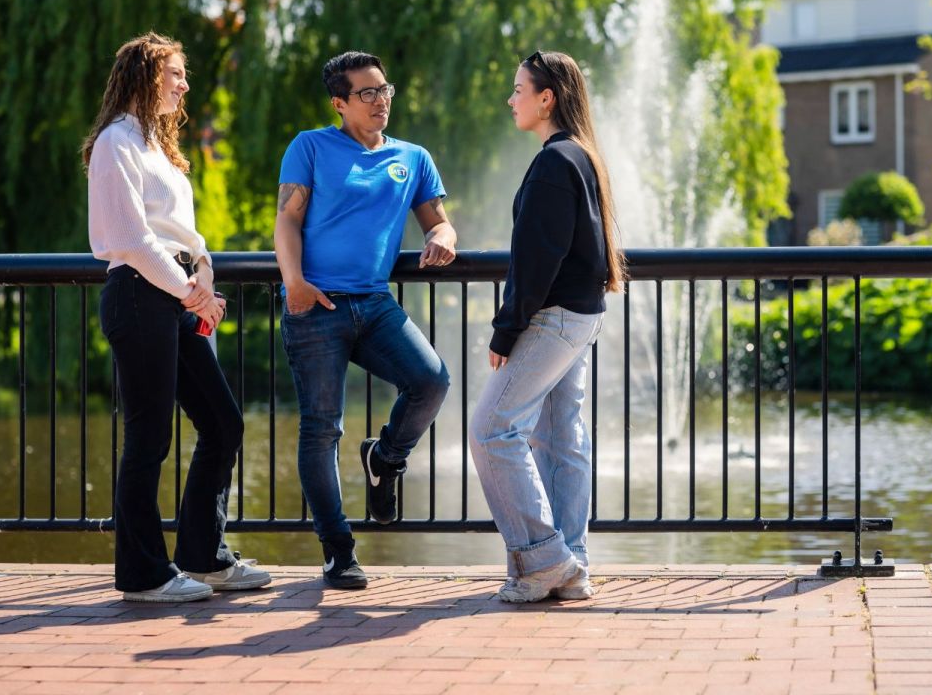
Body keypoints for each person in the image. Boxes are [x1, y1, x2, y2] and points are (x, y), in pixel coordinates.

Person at [85, 32, 270, 602]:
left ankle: (203, 557)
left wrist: (205, 272)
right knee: (148, 437)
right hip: (141, 296)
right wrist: (193, 292)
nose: (185, 84)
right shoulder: (117, 140)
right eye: (175, 74)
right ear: (145, 75)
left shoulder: (157, 147)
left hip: (174, 295)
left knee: (222, 423)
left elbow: (182, 233)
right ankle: (143, 575)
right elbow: (131, 238)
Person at [275, 51, 456, 589]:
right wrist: (296, 284)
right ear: (339, 103)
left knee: (431, 381)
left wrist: (441, 239)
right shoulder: (310, 146)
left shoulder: (412, 158)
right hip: (317, 307)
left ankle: (385, 456)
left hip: (375, 305)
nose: (381, 102)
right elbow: (287, 221)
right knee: (321, 428)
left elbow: (440, 224)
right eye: (368, 94)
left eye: (385, 90)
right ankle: (338, 550)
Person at [468, 50, 625, 603]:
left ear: (546, 97)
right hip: (580, 317)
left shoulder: (556, 161)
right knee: (561, 438)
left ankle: (543, 560)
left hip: (555, 318)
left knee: (490, 429)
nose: (510, 99)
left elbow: (539, 257)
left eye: (518, 89)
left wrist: (506, 331)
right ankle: (571, 564)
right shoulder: (581, 154)